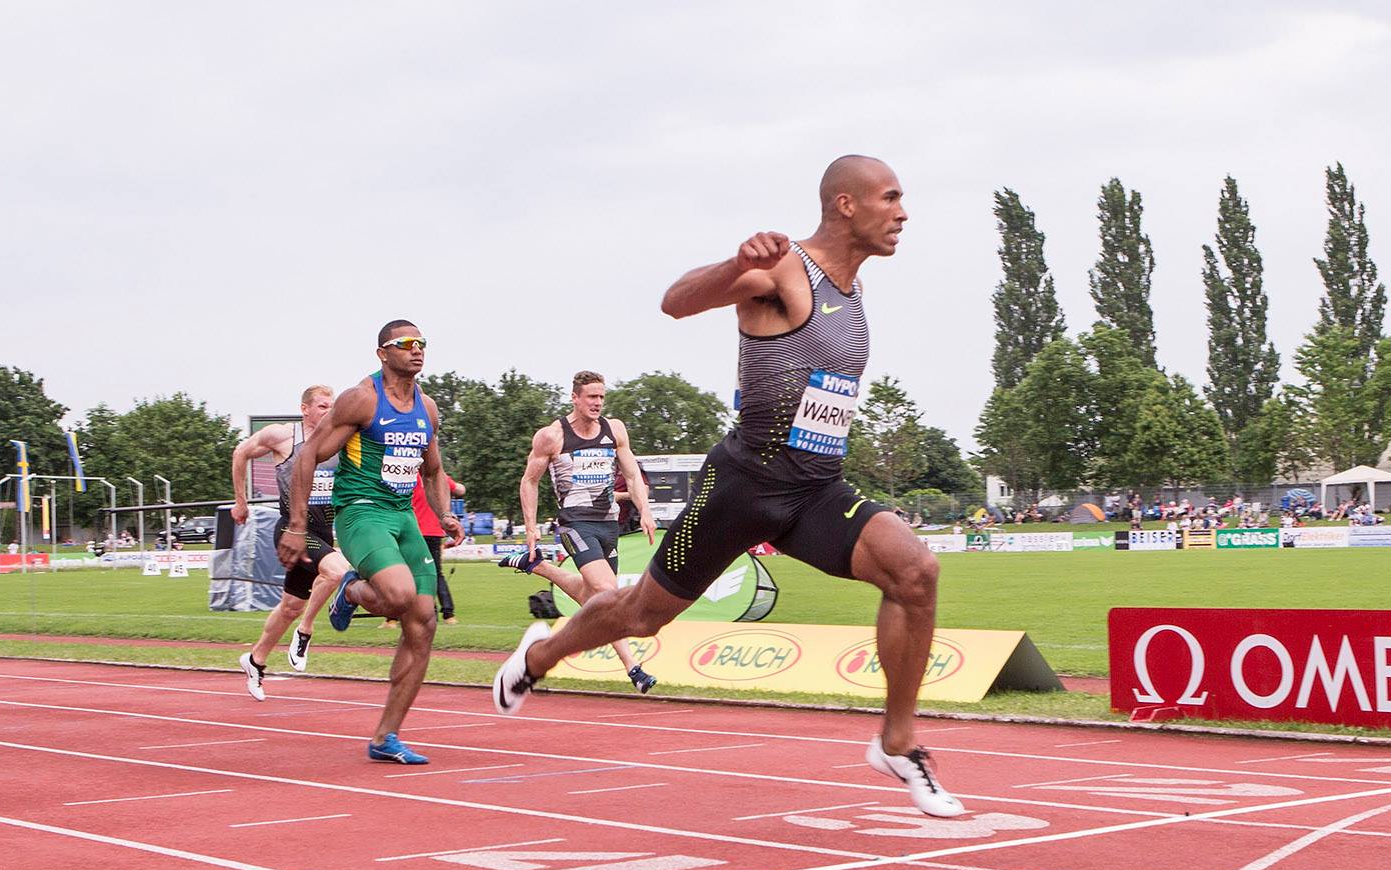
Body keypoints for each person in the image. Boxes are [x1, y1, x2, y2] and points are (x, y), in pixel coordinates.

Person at [492, 155, 961, 817]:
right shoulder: (781, 272)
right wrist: (732, 265)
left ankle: (898, 741)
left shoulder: (853, 292)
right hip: (740, 490)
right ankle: (542, 655)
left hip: (815, 492)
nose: (904, 212)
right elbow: (676, 301)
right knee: (643, 615)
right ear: (847, 204)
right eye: (892, 198)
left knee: (916, 572)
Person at [279, 319, 464, 766]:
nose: (416, 350)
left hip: (403, 517)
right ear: (383, 353)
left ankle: (386, 737)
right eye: (405, 344)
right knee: (399, 595)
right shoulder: (362, 399)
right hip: (361, 511)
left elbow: (433, 469)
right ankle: (350, 589)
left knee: (423, 621)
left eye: (422, 343)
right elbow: (310, 454)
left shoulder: (428, 407)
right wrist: (298, 524)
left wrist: (444, 515)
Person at [496, 370, 659, 695]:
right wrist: (531, 529)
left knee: (591, 596)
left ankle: (538, 566)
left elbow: (632, 472)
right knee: (606, 593)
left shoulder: (615, 430)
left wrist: (645, 510)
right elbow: (529, 481)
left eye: (601, 397)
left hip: (607, 524)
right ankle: (633, 667)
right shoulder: (552, 436)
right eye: (591, 397)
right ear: (575, 397)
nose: (597, 403)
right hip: (575, 523)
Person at [230, 384, 354, 700]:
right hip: (293, 532)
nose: (330, 411)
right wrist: (240, 501)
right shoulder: (284, 436)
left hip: (324, 532)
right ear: (305, 409)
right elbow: (240, 451)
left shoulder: (338, 441)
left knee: (290, 606)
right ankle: (306, 629)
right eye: (324, 406)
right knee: (339, 573)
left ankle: (255, 661)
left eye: (333, 406)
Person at [382, 473, 466, 628]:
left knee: (403, 572)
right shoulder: (439, 478)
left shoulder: (408, 476)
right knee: (436, 573)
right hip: (434, 532)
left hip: (413, 532)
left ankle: (392, 619)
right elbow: (461, 490)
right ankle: (449, 614)